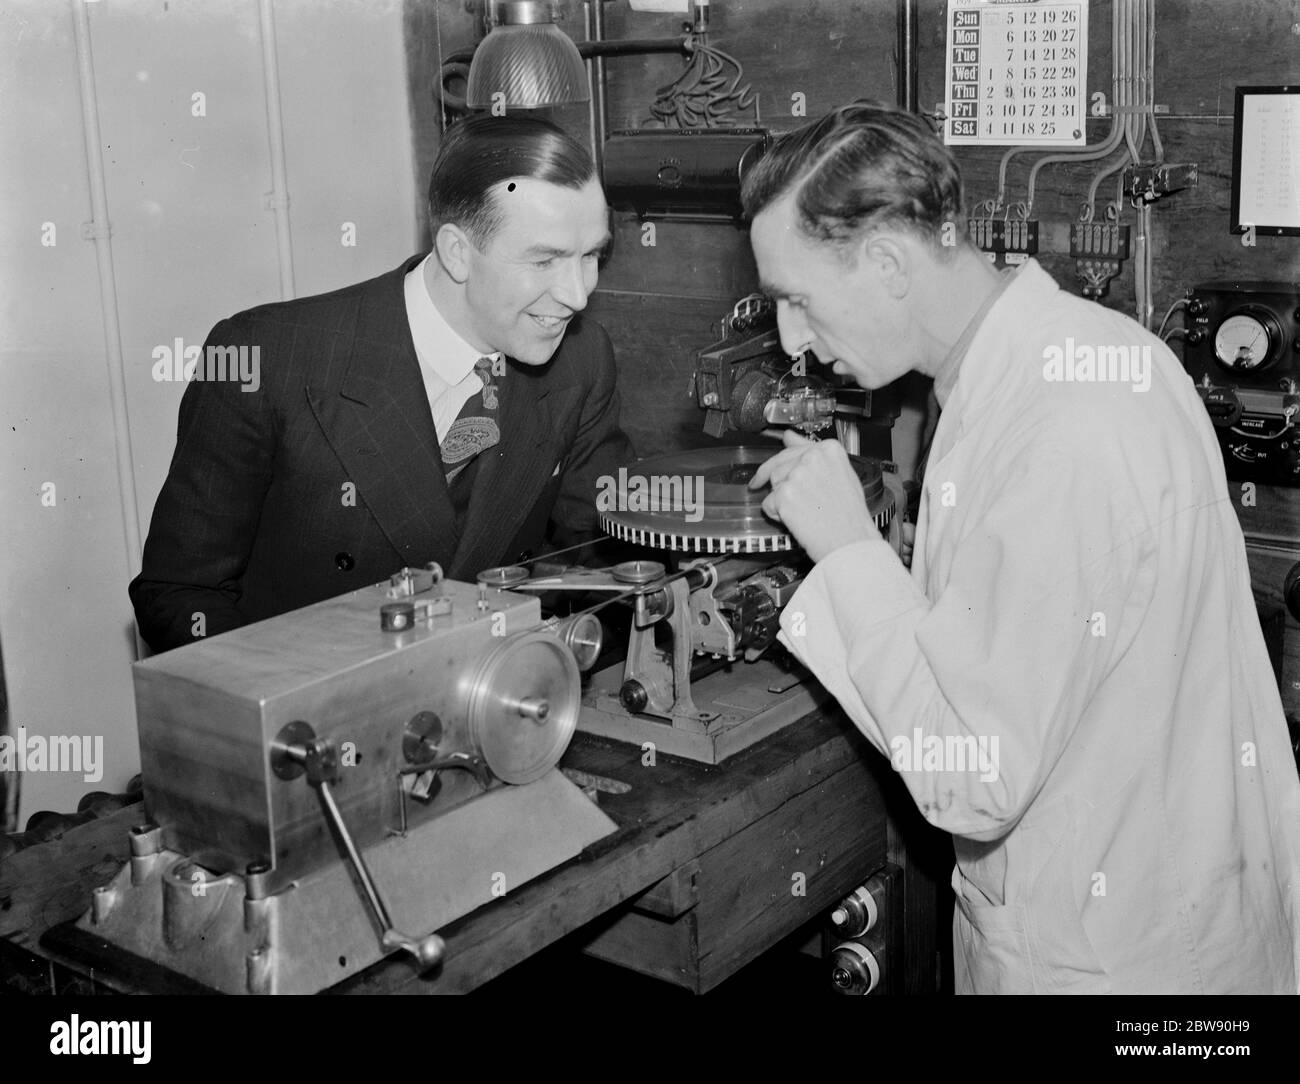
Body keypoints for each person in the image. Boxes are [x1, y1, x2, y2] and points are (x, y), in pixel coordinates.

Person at [746, 102, 1300, 993]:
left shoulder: (1056, 425)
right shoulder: (1089, 352)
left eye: (796, 301)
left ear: (887, 261)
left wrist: (847, 547)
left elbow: (972, 776)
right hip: (1181, 919)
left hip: (1116, 964)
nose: (794, 344)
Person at [130, 115, 632, 653]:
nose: (578, 295)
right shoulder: (267, 358)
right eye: (546, 260)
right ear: (457, 252)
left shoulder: (582, 360)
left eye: (591, 256)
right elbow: (180, 595)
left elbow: (601, 558)